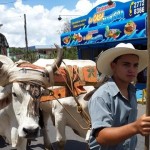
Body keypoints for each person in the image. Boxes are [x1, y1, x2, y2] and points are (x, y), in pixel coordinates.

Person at [88, 43, 150, 150]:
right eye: (126, 64)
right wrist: (136, 127)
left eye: (135, 65)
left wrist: (142, 126)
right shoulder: (102, 96)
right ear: (113, 66)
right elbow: (101, 136)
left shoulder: (132, 91)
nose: (132, 69)